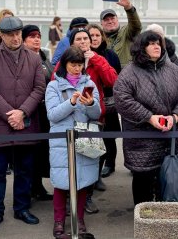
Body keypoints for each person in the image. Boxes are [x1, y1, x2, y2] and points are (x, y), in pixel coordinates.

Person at [0, 16, 46, 232]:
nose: (16, 37)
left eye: (18, 33)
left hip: (27, 123)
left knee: (25, 170)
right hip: (2, 124)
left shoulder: (34, 58)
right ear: (1, 35)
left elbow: (39, 88)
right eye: (11, 34)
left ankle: (22, 208)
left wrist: (23, 112)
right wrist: (11, 115)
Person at [113, 31, 178, 205]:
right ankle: (144, 217)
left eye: (158, 43)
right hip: (142, 138)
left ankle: (165, 217)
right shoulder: (129, 72)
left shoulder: (172, 69)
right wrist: (149, 117)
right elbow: (122, 99)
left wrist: (175, 116)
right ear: (142, 47)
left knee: (169, 178)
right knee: (144, 180)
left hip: (170, 136)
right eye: (151, 43)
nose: (156, 46)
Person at [45, 46, 101, 238]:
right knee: (61, 183)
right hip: (62, 140)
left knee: (82, 182)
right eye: (73, 65)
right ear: (64, 64)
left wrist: (91, 104)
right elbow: (52, 115)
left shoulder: (89, 84)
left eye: (79, 65)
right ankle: (59, 221)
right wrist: (71, 103)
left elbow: (97, 114)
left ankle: (79, 219)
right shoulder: (54, 86)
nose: (76, 69)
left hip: (84, 137)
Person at [65, 27, 118, 214]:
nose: (83, 41)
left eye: (86, 38)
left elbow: (113, 80)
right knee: (69, 161)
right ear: (73, 43)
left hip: (93, 118)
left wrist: (96, 60)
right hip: (69, 117)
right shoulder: (66, 58)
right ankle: (68, 197)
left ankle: (86, 197)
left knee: (90, 160)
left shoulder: (98, 59)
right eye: (79, 38)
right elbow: (56, 81)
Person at [22, 24, 54, 201]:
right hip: (30, 112)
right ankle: (27, 190)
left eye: (38, 36)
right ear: (24, 40)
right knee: (30, 153)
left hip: (45, 112)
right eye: (32, 36)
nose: (36, 39)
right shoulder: (22, 58)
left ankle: (38, 186)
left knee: (42, 151)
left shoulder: (43, 57)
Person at [88, 23, 122, 180]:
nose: (94, 38)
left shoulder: (110, 55)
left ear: (102, 37)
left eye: (97, 35)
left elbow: (116, 79)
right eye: (91, 35)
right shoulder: (80, 54)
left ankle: (109, 164)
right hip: (90, 102)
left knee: (109, 137)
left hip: (108, 102)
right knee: (92, 141)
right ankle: (94, 176)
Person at [100, 0, 142, 68]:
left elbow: (136, 26)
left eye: (112, 18)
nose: (110, 21)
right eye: (106, 19)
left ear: (117, 19)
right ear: (101, 23)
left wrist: (129, 8)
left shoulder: (126, 32)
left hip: (125, 76)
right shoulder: (99, 38)